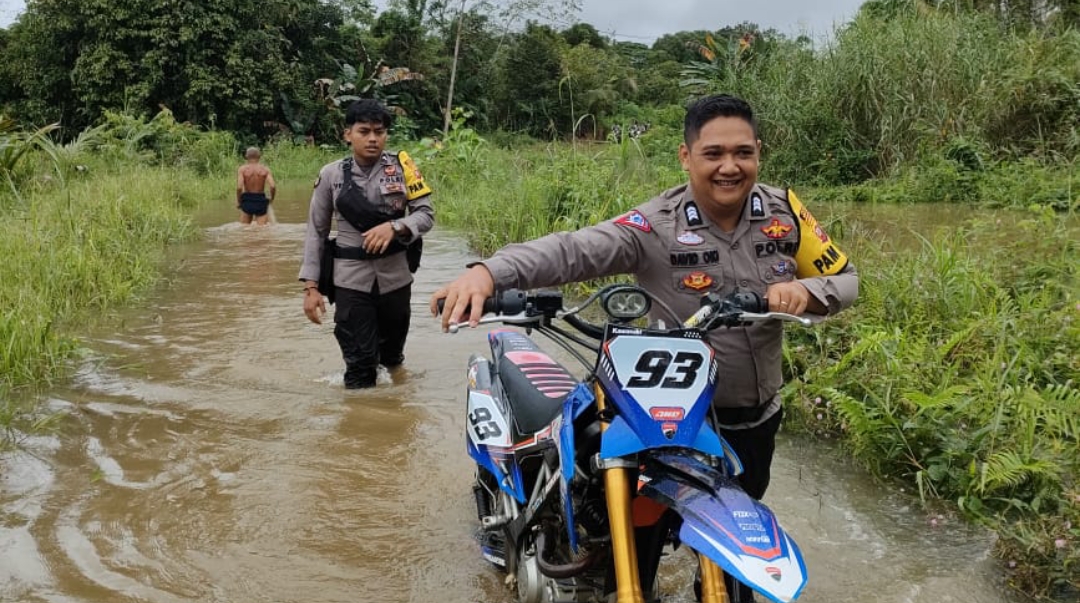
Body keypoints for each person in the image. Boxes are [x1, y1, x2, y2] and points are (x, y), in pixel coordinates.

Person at [431, 93, 858, 502]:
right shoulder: (655, 225)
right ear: (685, 157)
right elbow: (573, 250)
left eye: (743, 153)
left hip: (756, 418)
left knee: (737, 543)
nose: (730, 167)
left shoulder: (785, 213)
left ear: (758, 153)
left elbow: (845, 279)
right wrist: (489, 273)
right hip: (670, 419)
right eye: (713, 154)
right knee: (637, 533)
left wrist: (805, 290)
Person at [299, 98, 435, 389]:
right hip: (350, 282)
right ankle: (358, 428)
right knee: (360, 368)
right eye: (364, 131)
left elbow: (425, 215)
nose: (373, 138)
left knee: (393, 359)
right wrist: (310, 288)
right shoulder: (330, 175)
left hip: (396, 280)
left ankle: (393, 423)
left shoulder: (403, 168)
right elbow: (316, 232)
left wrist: (396, 226)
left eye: (379, 131)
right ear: (347, 134)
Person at [236, 146, 277, 225]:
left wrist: (239, 201)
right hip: (260, 201)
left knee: (244, 229)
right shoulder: (265, 169)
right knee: (262, 231)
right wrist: (271, 199)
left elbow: (239, 187)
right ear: (259, 156)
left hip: (247, 200)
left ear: (246, 157)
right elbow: (273, 186)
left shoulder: (242, 169)